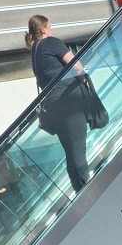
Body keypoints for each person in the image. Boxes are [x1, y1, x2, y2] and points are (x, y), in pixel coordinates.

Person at [26, 15, 91, 193]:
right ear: (45, 29)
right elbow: (77, 66)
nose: (52, 30)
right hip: (69, 101)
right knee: (79, 150)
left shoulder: (35, 51)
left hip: (54, 107)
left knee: (70, 153)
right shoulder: (51, 42)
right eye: (50, 27)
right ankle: (90, 191)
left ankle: (80, 191)